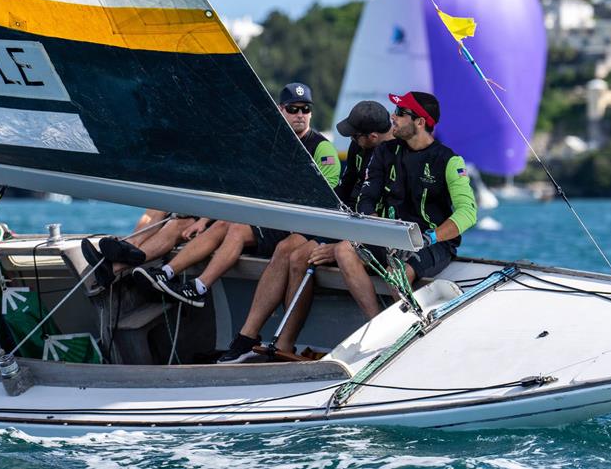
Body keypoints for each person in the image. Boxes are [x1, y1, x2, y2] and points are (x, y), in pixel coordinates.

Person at [134, 82, 341, 308]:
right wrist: (204, 219)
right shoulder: (271, 145)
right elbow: (250, 187)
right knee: (223, 222)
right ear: (281, 110)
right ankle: (166, 272)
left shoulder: (323, 149)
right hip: (271, 218)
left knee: (236, 230)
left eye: (305, 109)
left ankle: (199, 286)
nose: (300, 115)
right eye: (293, 109)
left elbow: (325, 196)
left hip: (296, 226)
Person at [218, 100, 394, 363]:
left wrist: (340, 243)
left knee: (301, 257)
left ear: (373, 136)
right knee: (285, 247)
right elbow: (344, 188)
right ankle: (248, 336)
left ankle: (286, 344)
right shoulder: (360, 145)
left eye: (355, 136)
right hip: (345, 219)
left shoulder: (394, 155)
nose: (352, 140)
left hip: (368, 230)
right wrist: (319, 218)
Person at [333, 91, 477, 320]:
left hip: (432, 242)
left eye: (401, 113)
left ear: (420, 122)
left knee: (396, 273)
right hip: (392, 237)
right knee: (344, 250)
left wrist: (430, 238)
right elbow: (366, 197)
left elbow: (468, 213)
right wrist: (376, 226)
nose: (393, 117)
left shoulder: (449, 161)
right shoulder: (384, 151)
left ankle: (414, 327)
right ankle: (377, 324)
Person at [81, 210, 213, 288]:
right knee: (158, 206)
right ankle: (129, 244)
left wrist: (204, 220)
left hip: (214, 216)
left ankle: (114, 267)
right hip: (198, 206)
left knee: (178, 225)